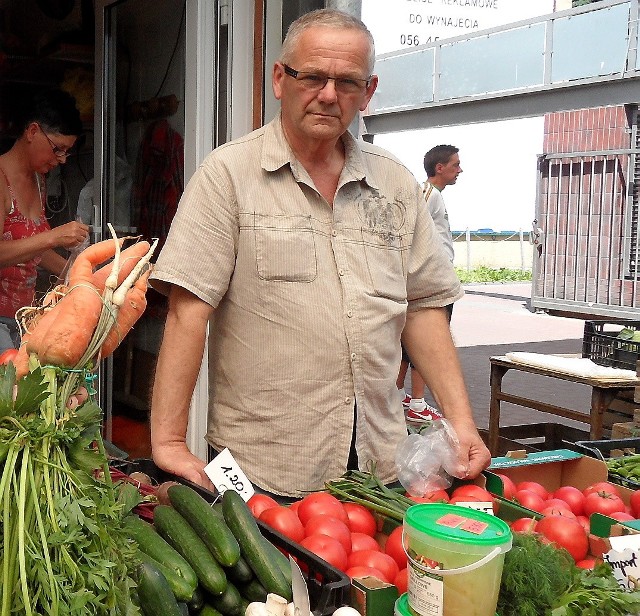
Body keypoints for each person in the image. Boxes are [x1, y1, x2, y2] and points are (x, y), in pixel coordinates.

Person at [149, 9, 490, 497]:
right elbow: (188, 311)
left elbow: (424, 308)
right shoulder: (228, 176)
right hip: (266, 468)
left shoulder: (395, 184)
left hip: (381, 465)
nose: (329, 95)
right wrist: (168, 440)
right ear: (279, 79)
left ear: (369, 91)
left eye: (348, 82)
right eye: (312, 77)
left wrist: (461, 423)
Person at [0, 89, 90, 353]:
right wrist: (53, 236)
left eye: (66, 153)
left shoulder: (39, 182)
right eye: (57, 149)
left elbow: (33, 250)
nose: (61, 159)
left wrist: (77, 274)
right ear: (32, 132)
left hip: (24, 320)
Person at [398, 145, 462, 419]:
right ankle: (416, 403)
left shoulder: (435, 196)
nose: (460, 170)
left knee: (407, 347)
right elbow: (408, 226)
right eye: (455, 164)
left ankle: (399, 396)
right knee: (424, 344)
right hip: (427, 282)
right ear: (440, 168)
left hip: (436, 275)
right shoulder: (426, 193)